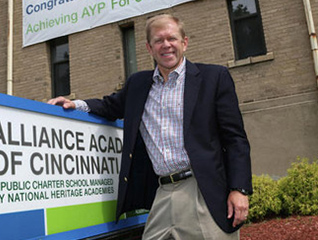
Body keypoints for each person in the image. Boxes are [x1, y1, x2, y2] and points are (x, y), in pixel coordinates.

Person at [48, 14, 252, 240]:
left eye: (172, 38)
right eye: (158, 40)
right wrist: (74, 104)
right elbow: (110, 105)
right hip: (162, 192)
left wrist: (239, 189)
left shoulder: (213, 77)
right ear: (149, 47)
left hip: (202, 189)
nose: (166, 45)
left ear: (184, 42)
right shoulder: (138, 84)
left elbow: (235, 139)